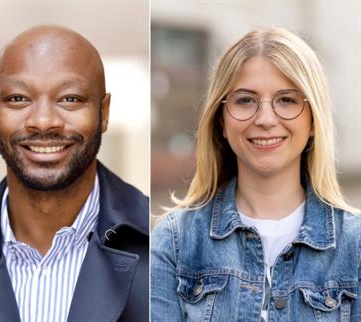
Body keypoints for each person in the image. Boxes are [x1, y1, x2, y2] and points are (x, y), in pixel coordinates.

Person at [0, 25, 149, 322]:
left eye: (70, 98)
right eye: (18, 99)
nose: (43, 121)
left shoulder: (167, 247)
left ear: (104, 112)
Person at [151, 27, 361, 321]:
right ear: (221, 121)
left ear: (313, 119)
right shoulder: (174, 242)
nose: (264, 119)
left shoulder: (356, 244)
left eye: (287, 100)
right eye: (245, 100)